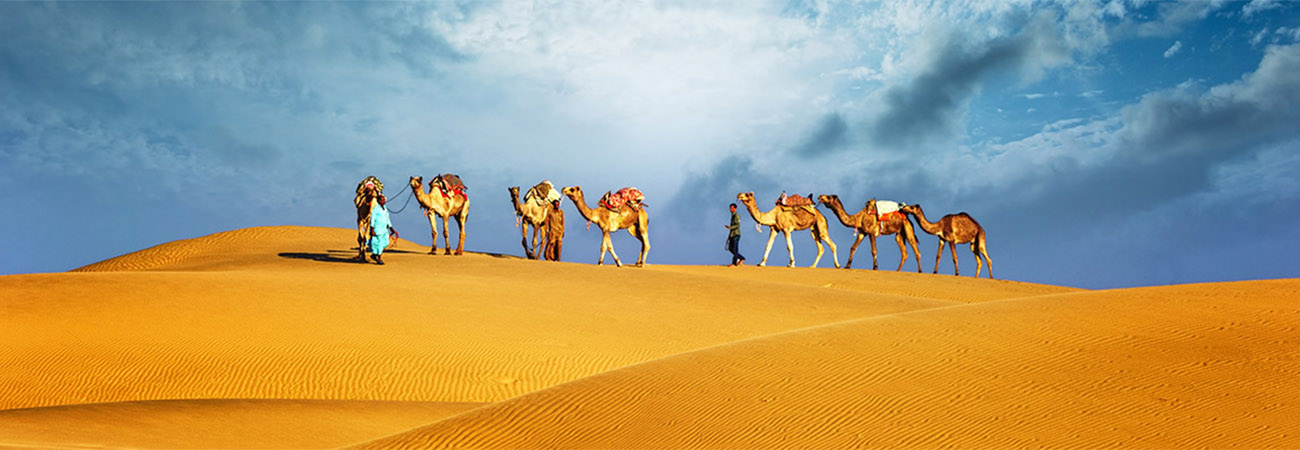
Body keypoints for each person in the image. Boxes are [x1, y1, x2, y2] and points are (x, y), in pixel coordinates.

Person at [369, 195, 393, 265]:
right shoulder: (376, 209)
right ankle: (379, 259)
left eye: (384, 200)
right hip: (378, 229)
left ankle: (374, 255)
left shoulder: (385, 208)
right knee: (380, 243)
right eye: (382, 200)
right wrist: (372, 229)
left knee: (385, 243)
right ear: (379, 201)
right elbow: (372, 219)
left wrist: (392, 229)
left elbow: (387, 219)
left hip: (384, 229)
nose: (384, 201)